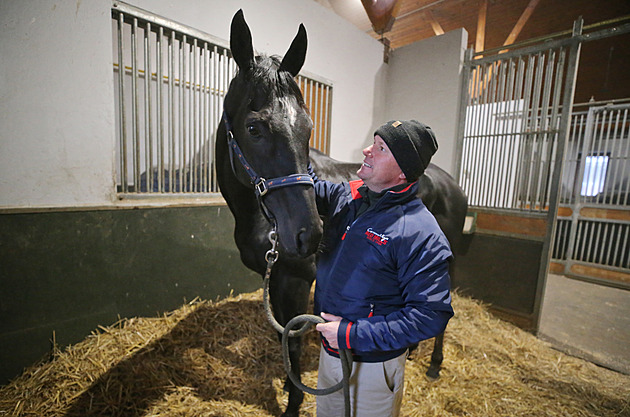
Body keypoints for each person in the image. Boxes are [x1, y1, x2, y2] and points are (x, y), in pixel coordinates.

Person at [311, 119, 454, 417]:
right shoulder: (347, 197)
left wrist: (352, 335)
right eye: (371, 143)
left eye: (380, 148)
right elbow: (303, 185)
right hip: (330, 354)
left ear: (402, 171)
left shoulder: (420, 231)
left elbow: (430, 316)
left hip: (373, 368)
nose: (366, 151)